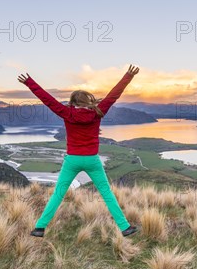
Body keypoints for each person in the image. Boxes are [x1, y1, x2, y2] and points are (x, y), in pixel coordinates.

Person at [17, 64, 140, 238]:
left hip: (72, 160)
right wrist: (129, 75)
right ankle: (124, 227)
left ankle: (40, 228)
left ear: (73, 102)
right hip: (92, 160)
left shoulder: (67, 113)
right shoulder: (98, 112)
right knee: (106, 193)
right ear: (89, 101)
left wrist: (30, 83)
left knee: (58, 193)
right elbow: (114, 95)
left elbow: (48, 99)